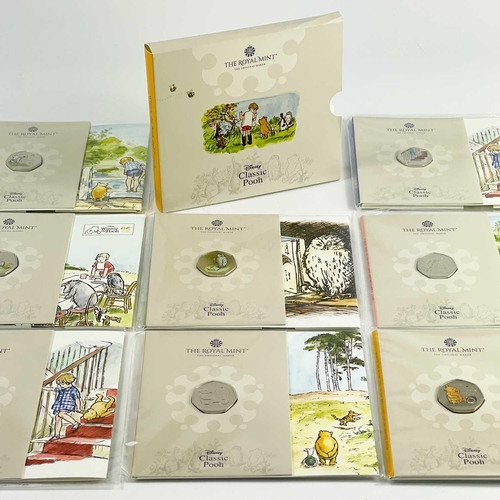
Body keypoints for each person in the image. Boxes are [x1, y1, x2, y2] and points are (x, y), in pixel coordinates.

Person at [44, 373, 83, 441]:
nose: (61, 386)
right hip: (59, 405)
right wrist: (43, 388)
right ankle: (56, 435)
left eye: (62, 384)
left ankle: (75, 423)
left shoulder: (74, 390)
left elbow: (77, 399)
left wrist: (79, 408)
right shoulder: (61, 389)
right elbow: (53, 389)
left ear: (68, 383)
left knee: (61, 414)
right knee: (57, 419)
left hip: (68, 405)